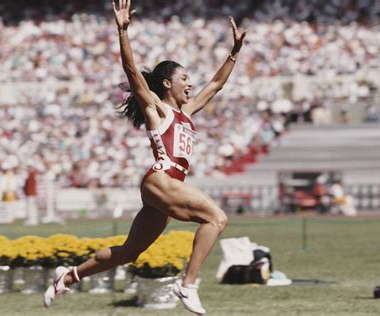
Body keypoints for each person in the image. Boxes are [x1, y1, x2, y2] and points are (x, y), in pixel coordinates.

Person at [43, 1, 246, 314]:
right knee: (216, 218)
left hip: (167, 185)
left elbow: (216, 84)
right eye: (185, 78)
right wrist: (122, 32)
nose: (191, 84)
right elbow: (131, 70)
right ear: (167, 84)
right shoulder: (157, 108)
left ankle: (68, 276)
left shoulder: (187, 112)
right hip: (161, 178)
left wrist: (233, 52)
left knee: (130, 252)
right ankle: (188, 284)